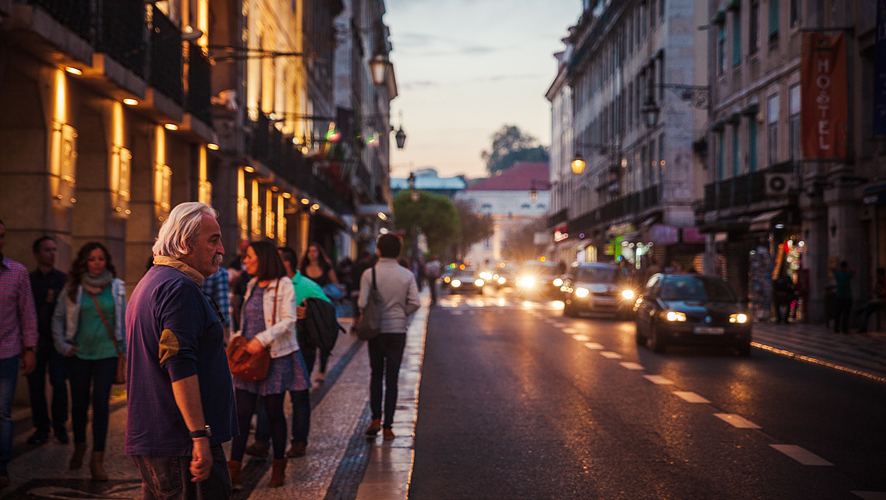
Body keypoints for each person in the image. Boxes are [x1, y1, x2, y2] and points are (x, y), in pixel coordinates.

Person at [125, 202, 237, 498]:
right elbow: (180, 364)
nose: (222, 249)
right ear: (185, 244)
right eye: (213, 240)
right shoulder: (178, 289)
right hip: (181, 442)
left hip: (165, 438)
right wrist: (199, 436)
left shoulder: (155, 281)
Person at [228, 240, 308, 489]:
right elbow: (246, 321)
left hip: (275, 357)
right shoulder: (251, 284)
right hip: (248, 357)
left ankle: (278, 466)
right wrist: (237, 340)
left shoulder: (283, 284)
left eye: (249, 256)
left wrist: (260, 341)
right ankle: (234, 471)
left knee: (273, 412)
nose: (245, 261)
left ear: (263, 258)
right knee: (241, 414)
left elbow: (288, 320)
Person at [51, 242, 126, 481]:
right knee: (80, 405)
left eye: (101, 258)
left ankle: (97, 458)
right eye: (92, 259)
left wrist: (123, 350)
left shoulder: (116, 287)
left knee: (102, 404)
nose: (96, 263)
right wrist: (63, 345)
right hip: (79, 354)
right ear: (84, 261)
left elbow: (123, 320)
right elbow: (59, 318)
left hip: (107, 354)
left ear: (107, 262)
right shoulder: (73, 288)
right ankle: (80, 445)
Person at [246, 246, 323, 459]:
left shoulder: (306, 285)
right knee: (268, 394)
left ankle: (298, 442)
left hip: (301, 347)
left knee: (299, 396)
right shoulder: (261, 285)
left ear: (285, 263)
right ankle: (262, 441)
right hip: (271, 350)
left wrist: (310, 312)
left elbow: (328, 313)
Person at [359, 234, 420, 441]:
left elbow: (361, 303)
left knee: (376, 374)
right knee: (392, 378)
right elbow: (415, 303)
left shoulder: (370, 274)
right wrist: (402, 314)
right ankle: (388, 427)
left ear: (378, 250)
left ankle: (375, 418)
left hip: (376, 330)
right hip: (397, 331)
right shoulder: (406, 275)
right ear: (399, 251)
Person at [0, 219, 38, 489]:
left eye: (2, 236)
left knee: (2, 413)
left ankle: (1, 467)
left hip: (7, 351)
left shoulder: (17, 272)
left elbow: (27, 314)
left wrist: (30, 349)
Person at [26, 236, 69, 445]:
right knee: (35, 385)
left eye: (54, 249)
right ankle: (41, 427)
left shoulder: (62, 279)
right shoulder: (29, 280)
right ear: (37, 254)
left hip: (57, 340)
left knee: (59, 383)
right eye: (47, 250)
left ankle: (60, 426)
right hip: (36, 341)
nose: (51, 253)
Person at [298, 242, 340, 382]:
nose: (312, 253)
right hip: (307, 310)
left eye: (315, 251)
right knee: (309, 338)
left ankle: (322, 370)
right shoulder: (303, 269)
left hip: (323, 309)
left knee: (323, 336)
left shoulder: (326, 267)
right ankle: (307, 370)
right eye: (309, 251)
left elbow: (336, 285)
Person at [202, 267, 231, 343]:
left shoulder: (184, 271)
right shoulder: (219, 273)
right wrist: (225, 334)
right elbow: (222, 307)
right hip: (211, 329)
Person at [858, 267, 886, 333]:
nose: (876, 276)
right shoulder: (878, 282)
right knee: (867, 311)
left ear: (880, 274)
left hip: (884, 300)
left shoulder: (885, 281)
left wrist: (877, 292)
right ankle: (863, 328)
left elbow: (882, 293)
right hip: (879, 300)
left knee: (870, 303)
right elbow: (878, 292)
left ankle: (861, 309)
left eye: (877, 274)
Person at [832, 260, 855, 334]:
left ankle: (836, 328)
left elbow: (833, 270)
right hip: (847, 296)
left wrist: (839, 269)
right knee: (846, 313)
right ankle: (844, 329)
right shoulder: (847, 274)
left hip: (839, 296)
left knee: (838, 313)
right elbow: (854, 272)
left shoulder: (838, 274)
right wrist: (847, 269)